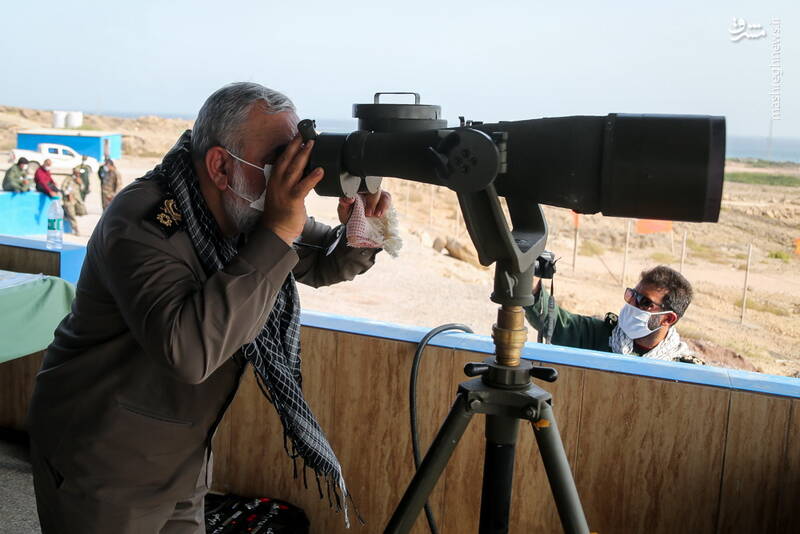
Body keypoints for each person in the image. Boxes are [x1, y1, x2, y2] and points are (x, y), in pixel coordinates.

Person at [27, 82, 392, 533]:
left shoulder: (242, 205)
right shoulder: (142, 221)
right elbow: (189, 353)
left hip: (182, 452)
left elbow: (320, 261)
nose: (289, 176)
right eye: (278, 161)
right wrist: (277, 232)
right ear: (221, 165)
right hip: (103, 454)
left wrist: (362, 227)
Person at [525, 265, 702, 363]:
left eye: (644, 302)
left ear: (668, 318)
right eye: (632, 295)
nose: (632, 304)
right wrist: (532, 284)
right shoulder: (600, 335)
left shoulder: (682, 368)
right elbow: (557, 323)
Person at [60, 169, 84, 235]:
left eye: (79, 173)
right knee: (72, 215)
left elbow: (83, 189)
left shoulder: (79, 179)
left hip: (77, 200)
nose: (79, 174)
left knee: (82, 211)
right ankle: (76, 230)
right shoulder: (68, 179)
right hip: (68, 200)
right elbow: (63, 188)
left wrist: (81, 183)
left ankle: (65, 212)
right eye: (78, 173)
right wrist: (68, 194)